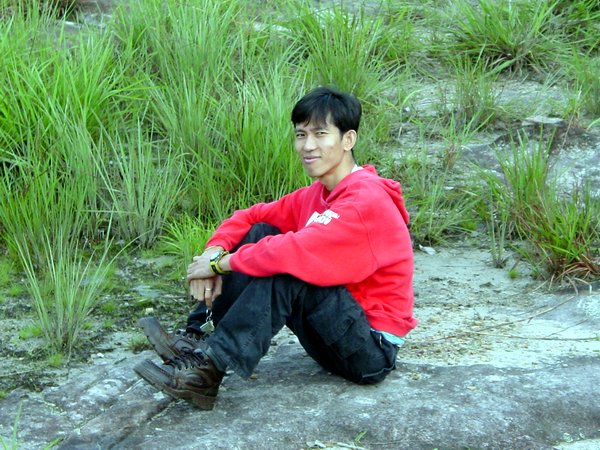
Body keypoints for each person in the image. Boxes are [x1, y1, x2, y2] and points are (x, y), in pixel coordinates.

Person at [134, 86, 417, 410]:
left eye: (320, 134)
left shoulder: (366, 200)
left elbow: (297, 251)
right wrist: (214, 252)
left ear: (348, 140)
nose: (307, 146)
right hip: (334, 333)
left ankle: (207, 374)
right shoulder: (316, 194)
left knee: (289, 265)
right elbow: (249, 216)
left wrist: (220, 265)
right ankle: (198, 339)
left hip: (370, 349)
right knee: (260, 232)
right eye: (301, 135)